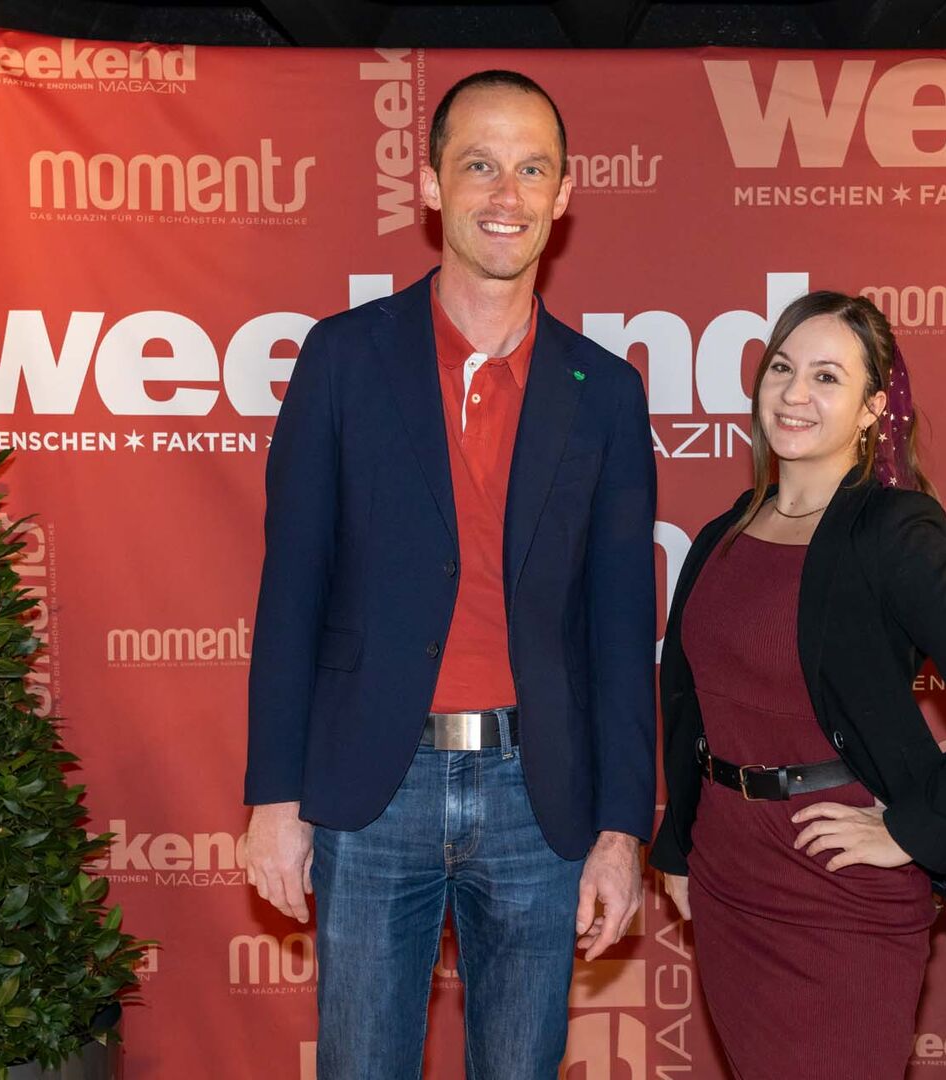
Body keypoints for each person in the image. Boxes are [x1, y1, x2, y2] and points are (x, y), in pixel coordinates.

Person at [242, 69, 657, 1080]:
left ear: (564, 195)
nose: (506, 195)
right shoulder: (343, 360)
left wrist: (621, 829)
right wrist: (275, 797)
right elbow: (291, 591)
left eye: (531, 170)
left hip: (538, 800)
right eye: (479, 166)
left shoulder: (605, 393)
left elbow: (619, 629)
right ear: (431, 186)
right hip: (370, 791)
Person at [648, 291, 946, 1079]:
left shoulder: (892, 533)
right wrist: (679, 844)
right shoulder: (726, 531)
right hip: (729, 876)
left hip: (839, 890)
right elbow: (691, 703)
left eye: (827, 377)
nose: (794, 393)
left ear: (873, 409)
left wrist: (911, 830)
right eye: (782, 368)